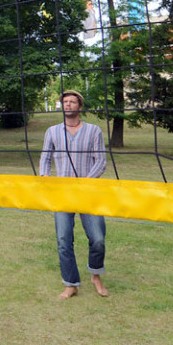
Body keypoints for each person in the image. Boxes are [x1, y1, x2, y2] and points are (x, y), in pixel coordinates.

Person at [39, 89, 109, 299]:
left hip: (88, 192)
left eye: (72, 101)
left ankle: (95, 275)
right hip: (62, 194)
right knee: (63, 240)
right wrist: (45, 176)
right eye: (65, 102)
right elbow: (45, 158)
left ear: (80, 106)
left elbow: (101, 161)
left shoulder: (94, 131)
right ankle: (71, 284)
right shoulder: (52, 131)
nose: (68, 104)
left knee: (98, 239)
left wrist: (83, 183)